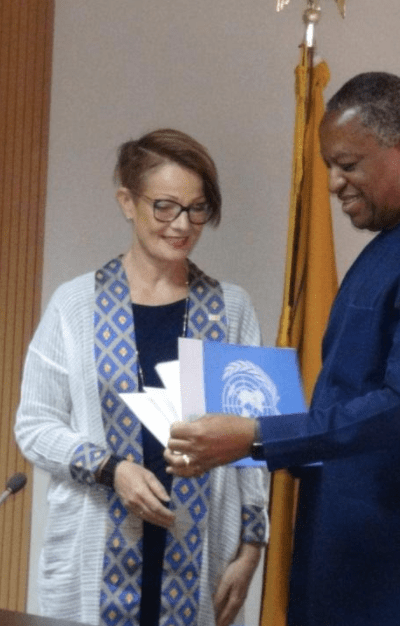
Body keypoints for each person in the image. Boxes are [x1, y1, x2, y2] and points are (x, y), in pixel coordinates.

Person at [164, 73, 400, 626]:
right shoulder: (382, 252)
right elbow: (345, 393)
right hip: (344, 557)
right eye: (328, 165)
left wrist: (256, 434)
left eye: (348, 164)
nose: (333, 183)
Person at [15, 129, 269, 626]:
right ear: (127, 202)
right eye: (165, 207)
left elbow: (256, 440)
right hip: (94, 554)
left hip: (202, 557)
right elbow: (35, 425)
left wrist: (252, 547)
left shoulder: (231, 309)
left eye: (197, 209)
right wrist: (113, 470)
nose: (182, 225)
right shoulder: (75, 305)